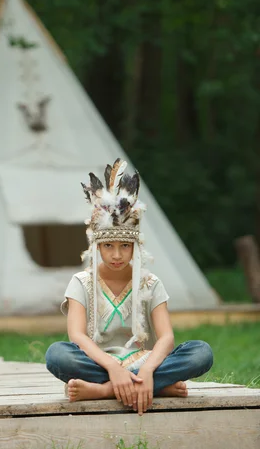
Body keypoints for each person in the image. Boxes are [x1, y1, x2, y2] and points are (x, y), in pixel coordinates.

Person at [46, 159, 213, 416]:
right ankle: (155, 386)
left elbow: (167, 337)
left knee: (201, 353)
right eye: (108, 246)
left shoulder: (150, 282)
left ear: (135, 247)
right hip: (99, 363)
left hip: (144, 362)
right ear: (97, 247)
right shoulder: (82, 282)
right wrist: (113, 368)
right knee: (57, 355)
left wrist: (146, 370)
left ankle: (105, 390)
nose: (116, 255)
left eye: (125, 246)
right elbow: (77, 337)